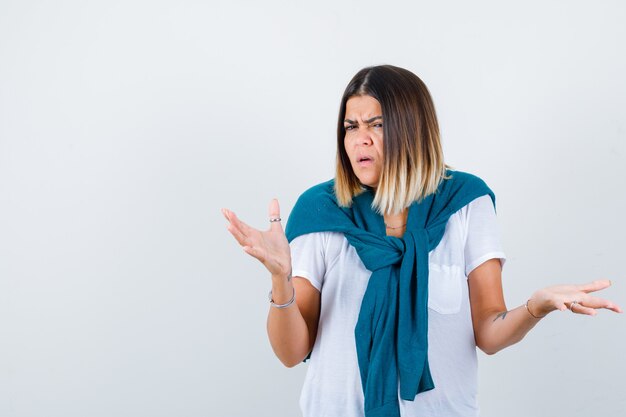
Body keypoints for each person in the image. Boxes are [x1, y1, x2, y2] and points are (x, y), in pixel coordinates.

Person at [222, 65, 622, 417]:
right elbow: (291, 353)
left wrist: (535, 307)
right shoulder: (320, 211)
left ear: (412, 128)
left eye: (376, 125)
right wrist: (280, 278)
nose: (360, 139)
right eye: (351, 126)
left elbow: (489, 332)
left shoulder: (466, 202)